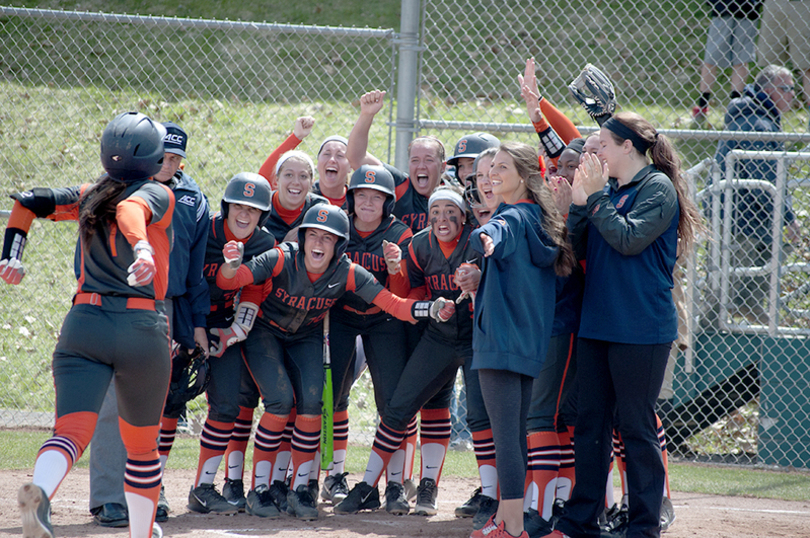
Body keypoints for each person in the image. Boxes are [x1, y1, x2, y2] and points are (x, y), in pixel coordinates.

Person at [214, 204, 454, 520]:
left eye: (328, 238)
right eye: (312, 234)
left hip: (306, 337)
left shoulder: (347, 271)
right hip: (266, 334)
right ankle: (259, 490)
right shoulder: (281, 257)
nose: (318, 243)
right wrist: (231, 266)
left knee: (313, 404)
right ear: (302, 238)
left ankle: (300, 490)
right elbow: (228, 282)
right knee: (280, 401)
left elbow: (392, 304)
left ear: (340, 244)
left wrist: (429, 309)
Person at [5, 111, 172, 538]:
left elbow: (29, 200)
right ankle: (140, 531)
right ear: (154, 158)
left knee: (71, 432)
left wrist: (13, 252)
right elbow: (133, 208)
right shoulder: (158, 193)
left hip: (84, 324)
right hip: (138, 328)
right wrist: (142, 250)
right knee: (141, 449)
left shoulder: (89, 195)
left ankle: (41, 492)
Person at [543, 112, 701, 538]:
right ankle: (581, 521)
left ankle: (643, 525)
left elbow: (628, 240)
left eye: (604, 147)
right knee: (591, 423)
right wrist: (577, 203)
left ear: (627, 148)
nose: (597, 155)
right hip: (598, 324)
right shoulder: (607, 189)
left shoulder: (657, 188)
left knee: (635, 425)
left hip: (642, 328)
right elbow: (572, 251)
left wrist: (594, 200)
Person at [335, 188, 480, 518]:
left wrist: (477, 283)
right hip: (438, 337)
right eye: (436, 212)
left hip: (477, 339)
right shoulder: (419, 244)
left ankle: (488, 493)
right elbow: (407, 292)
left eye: (450, 211)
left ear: (464, 215)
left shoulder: (477, 241)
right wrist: (409, 284)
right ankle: (368, 486)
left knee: (482, 418)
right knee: (400, 405)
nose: (443, 218)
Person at [465, 142, 575, 538]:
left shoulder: (512, 216)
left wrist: (486, 237)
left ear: (525, 176)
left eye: (502, 168)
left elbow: (498, 231)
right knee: (514, 434)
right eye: (490, 167)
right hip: (528, 343)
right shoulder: (540, 217)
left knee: (505, 436)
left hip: (499, 341)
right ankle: (511, 520)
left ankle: (511, 526)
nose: (492, 174)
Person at [319, 165, 414, 506]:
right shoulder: (337, 225)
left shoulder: (400, 234)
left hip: (384, 319)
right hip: (342, 317)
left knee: (391, 403)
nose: (368, 203)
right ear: (351, 197)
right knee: (333, 397)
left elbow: (404, 292)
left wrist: (395, 269)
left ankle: (394, 484)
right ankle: (334, 476)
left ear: (388, 202)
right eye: (362, 195)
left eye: (376, 197)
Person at [185, 173, 277, 517]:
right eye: (238, 205)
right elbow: (180, 279)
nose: (244, 214)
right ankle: (155, 486)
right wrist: (191, 328)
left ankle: (203, 488)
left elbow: (253, 291)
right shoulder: (202, 230)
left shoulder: (264, 243)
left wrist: (233, 333)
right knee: (169, 402)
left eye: (253, 209)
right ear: (226, 207)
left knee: (227, 406)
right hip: (185, 320)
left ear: (262, 215)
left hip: (222, 324)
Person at [713, 64, 800, 323]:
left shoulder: (764, 118)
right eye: (786, 89)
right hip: (741, 217)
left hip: (751, 216)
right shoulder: (758, 123)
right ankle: (705, 333)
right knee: (724, 289)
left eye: (793, 89)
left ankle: (749, 305)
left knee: (765, 260)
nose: (792, 95)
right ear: (767, 90)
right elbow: (766, 180)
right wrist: (787, 217)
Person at [347, 89, 446, 232]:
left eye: (429, 160)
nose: (421, 166)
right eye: (415, 160)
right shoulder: (400, 185)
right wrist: (367, 115)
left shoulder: (452, 194)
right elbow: (356, 157)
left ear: (443, 167)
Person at [691, 0, 762, 126]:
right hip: (723, 8)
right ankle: (703, 105)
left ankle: (734, 108)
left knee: (741, 60)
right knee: (711, 58)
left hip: (747, 9)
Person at [756, 0, 810, 128]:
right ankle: (763, 121)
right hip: (774, 4)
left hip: (802, 4)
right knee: (770, 68)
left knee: (807, 65)